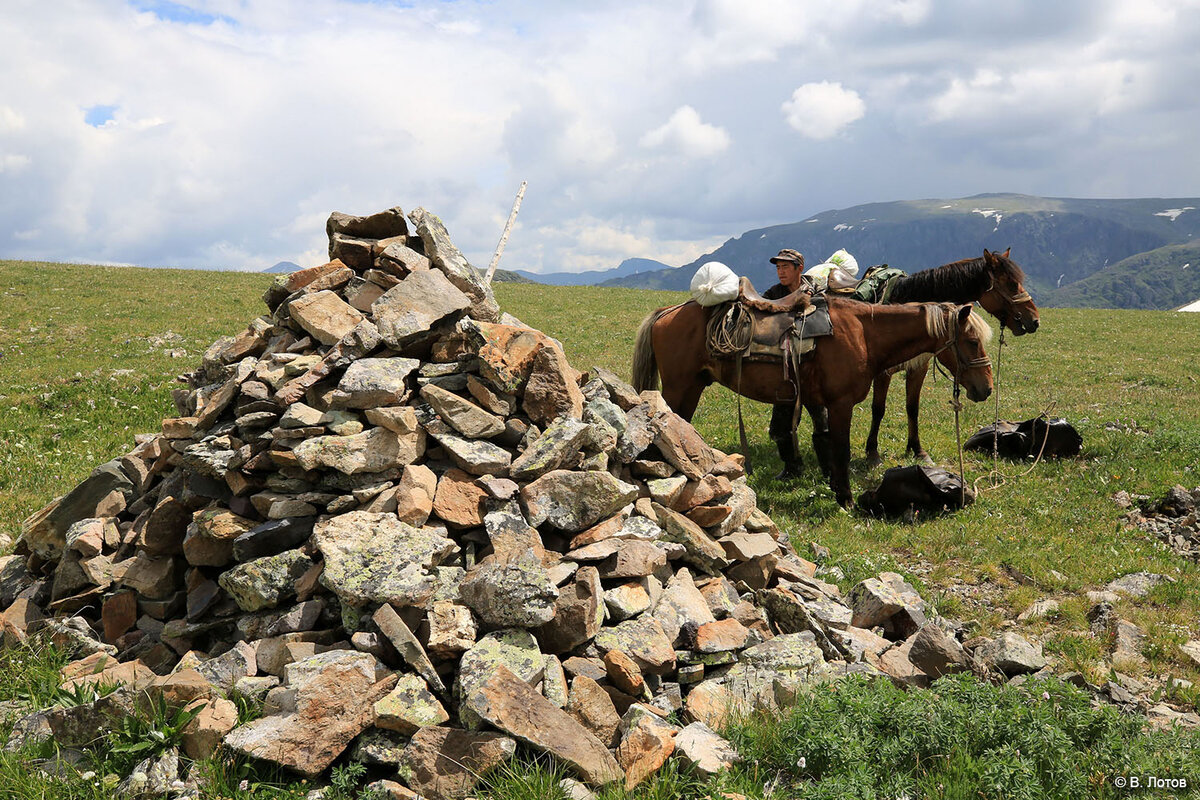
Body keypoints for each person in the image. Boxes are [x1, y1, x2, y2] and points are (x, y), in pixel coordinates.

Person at [764, 249, 808, 478]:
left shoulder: (814, 291)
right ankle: (792, 467)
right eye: (778, 268)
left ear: (799, 268)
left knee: (823, 420)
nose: (780, 272)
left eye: (785, 267)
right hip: (785, 365)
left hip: (812, 365)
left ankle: (829, 464)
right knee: (782, 420)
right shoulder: (773, 293)